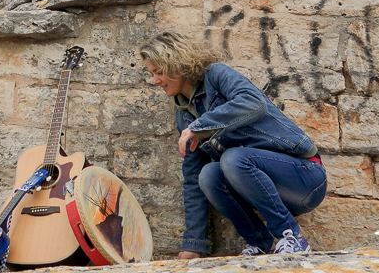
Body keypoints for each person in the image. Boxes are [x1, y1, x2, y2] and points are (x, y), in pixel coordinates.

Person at [138, 29, 327, 257]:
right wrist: (192, 244)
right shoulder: (184, 116)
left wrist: (201, 126)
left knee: (233, 158)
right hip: (267, 193)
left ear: (176, 65)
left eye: (158, 72)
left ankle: (293, 238)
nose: (155, 80)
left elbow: (254, 103)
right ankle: (260, 244)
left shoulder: (216, 75)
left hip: (306, 178)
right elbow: (192, 180)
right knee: (207, 174)